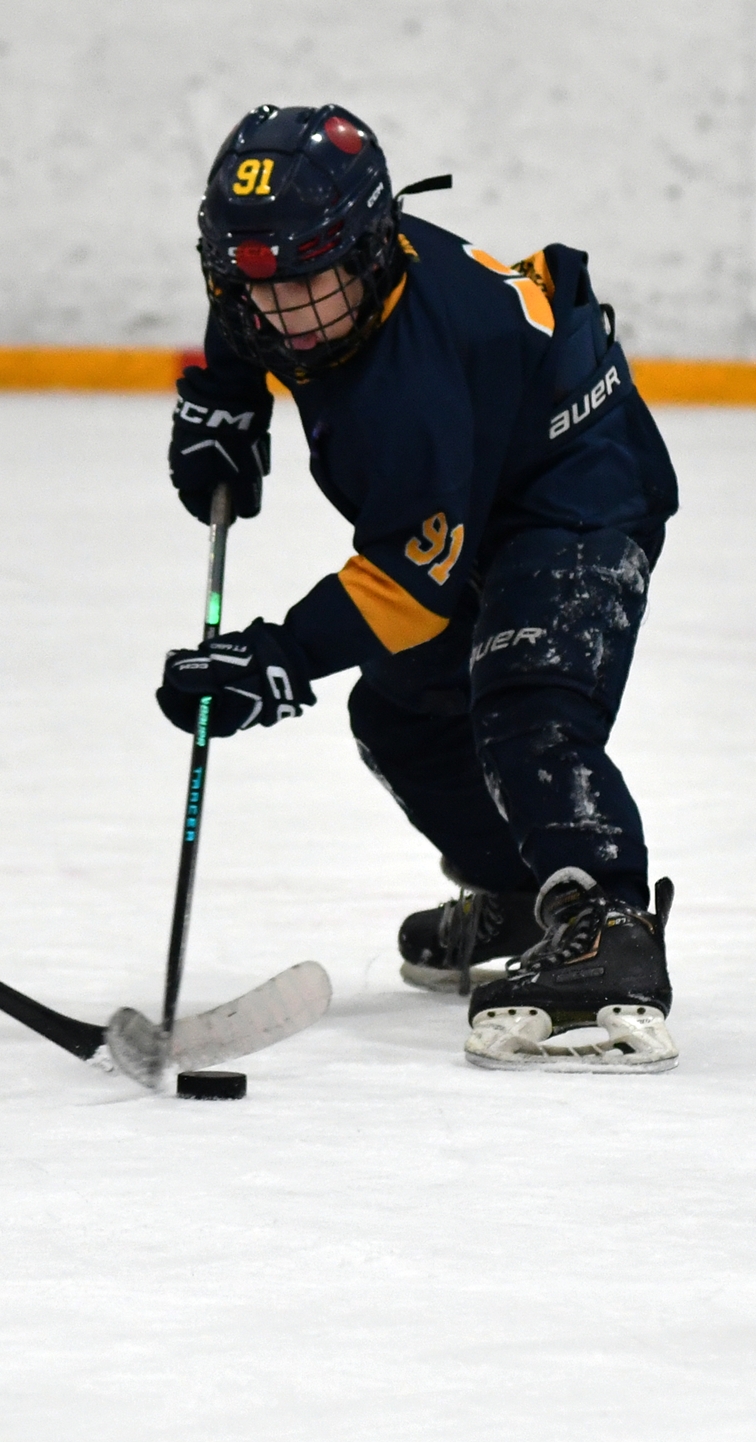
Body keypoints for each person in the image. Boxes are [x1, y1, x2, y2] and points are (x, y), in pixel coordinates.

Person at [157, 105, 680, 1071]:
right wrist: (229, 396)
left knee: (527, 703)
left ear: (371, 249)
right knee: (405, 714)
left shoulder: (418, 373)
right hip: (485, 486)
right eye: (260, 286)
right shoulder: (290, 287)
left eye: (312, 280)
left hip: (573, 492)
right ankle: (526, 900)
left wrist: (276, 658)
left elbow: (410, 583)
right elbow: (249, 307)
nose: (286, 315)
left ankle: (608, 926)